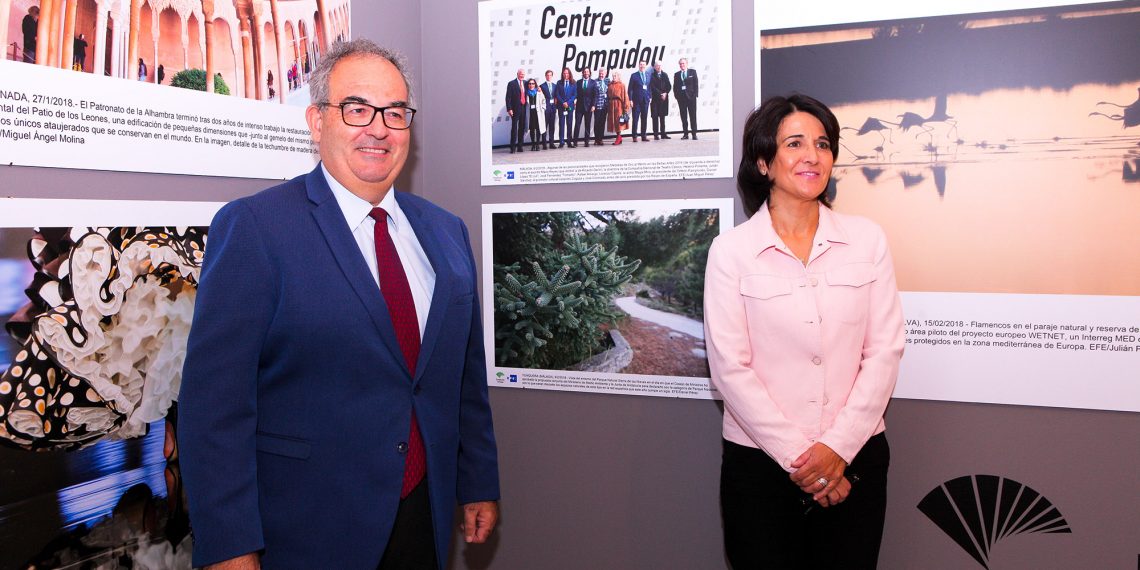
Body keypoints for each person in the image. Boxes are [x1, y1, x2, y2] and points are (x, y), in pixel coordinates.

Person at [178, 38, 501, 570]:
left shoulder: (446, 232)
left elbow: (462, 378)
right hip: (307, 529)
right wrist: (229, 545)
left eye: (395, 112)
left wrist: (478, 479)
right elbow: (214, 407)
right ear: (316, 120)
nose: (378, 127)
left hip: (426, 513)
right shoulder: (256, 228)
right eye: (357, 108)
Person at [704, 93, 904, 569]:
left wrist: (836, 450)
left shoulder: (867, 240)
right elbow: (730, 369)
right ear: (763, 162)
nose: (812, 155)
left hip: (855, 461)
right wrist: (806, 462)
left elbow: (884, 352)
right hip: (760, 468)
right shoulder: (731, 251)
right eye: (794, 143)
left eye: (823, 144)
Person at [673, 57, 699, 139]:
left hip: (691, 98)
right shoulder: (676, 74)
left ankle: (694, 134)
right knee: (683, 116)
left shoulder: (692, 72)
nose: (682, 65)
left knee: (693, 116)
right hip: (681, 99)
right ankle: (685, 134)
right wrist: (677, 97)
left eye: (683, 63)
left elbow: (696, 84)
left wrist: (695, 95)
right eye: (680, 64)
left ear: (686, 64)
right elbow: (675, 87)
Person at [504, 68, 528, 153]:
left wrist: (538, 89)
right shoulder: (511, 83)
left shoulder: (526, 83)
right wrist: (509, 109)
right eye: (520, 74)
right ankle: (513, 147)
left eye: (523, 74)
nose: (522, 76)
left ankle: (520, 146)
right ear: (517, 74)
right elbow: (508, 97)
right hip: (514, 109)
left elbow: (532, 88)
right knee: (514, 128)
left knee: (521, 127)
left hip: (523, 108)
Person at [627, 60, 652, 142]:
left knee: (644, 118)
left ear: (646, 65)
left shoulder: (648, 75)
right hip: (636, 101)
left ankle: (643, 136)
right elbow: (630, 89)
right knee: (635, 119)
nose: (642, 66)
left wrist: (650, 97)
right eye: (641, 64)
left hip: (645, 100)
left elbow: (649, 87)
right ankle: (634, 136)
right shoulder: (634, 75)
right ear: (639, 65)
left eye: (643, 64)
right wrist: (630, 100)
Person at [574, 67, 597, 147]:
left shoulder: (593, 82)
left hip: (589, 107)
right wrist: (575, 100)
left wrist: (594, 105)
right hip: (579, 107)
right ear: (582, 73)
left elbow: (595, 95)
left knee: (587, 124)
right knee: (577, 124)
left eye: (587, 71)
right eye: (584, 72)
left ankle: (586, 141)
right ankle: (575, 141)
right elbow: (576, 93)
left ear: (589, 73)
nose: (586, 73)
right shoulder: (578, 82)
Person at [553, 67, 576, 148]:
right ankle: (561, 141)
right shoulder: (559, 83)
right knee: (561, 124)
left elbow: (574, 95)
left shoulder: (573, 83)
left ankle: (569, 142)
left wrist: (568, 102)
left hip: (570, 106)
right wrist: (563, 102)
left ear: (569, 74)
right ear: (562, 74)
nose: (566, 75)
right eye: (564, 73)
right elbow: (557, 94)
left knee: (569, 124)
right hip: (561, 107)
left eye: (567, 73)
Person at [605, 71, 629, 145]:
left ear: (618, 77)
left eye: (615, 76)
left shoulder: (621, 85)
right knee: (614, 122)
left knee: (619, 121)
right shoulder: (610, 85)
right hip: (611, 105)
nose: (614, 77)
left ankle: (618, 137)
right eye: (613, 76)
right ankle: (619, 137)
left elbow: (625, 96)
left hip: (619, 105)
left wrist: (625, 108)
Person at [650, 61, 672, 140]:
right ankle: (656, 134)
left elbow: (669, 86)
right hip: (655, 100)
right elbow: (652, 87)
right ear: (654, 67)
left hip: (664, 99)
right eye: (657, 66)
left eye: (660, 66)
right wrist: (660, 94)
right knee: (655, 117)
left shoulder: (665, 75)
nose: (658, 67)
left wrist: (665, 93)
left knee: (662, 117)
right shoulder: (652, 76)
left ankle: (663, 134)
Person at [526, 78, 547, 151]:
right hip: (530, 114)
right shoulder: (526, 93)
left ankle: (537, 144)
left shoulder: (539, 92)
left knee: (538, 129)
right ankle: (533, 144)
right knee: (532, 129)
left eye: (533, 83)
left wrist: (543, 108)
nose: (531, 85)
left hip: (538, 113)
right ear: (528, 85)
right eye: (530, 84)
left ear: (535, 84)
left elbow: (544, 100)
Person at [539, 70, 557, 149]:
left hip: (553, 108)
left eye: (550, 75)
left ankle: (551, 143)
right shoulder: (542, 86)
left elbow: (556, 96)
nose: (549, 77)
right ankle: (544, 144)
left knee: (552, 126)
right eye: (547, 75)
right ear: (545, 76)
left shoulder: (555, 85)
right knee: (544, 126)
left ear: (552, 76)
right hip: (545, 108)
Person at [592, 67, 609, 146]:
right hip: (597, 105)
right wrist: (593, 105)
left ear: (605, 74)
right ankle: (596, 139)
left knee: (602, 123)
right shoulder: (595, 81)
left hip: (605, 106)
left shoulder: (608, 81)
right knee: (597, 123)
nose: (601, 75)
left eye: (603, 74)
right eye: (600, 73)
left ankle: (601, 139)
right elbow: (593, 94)